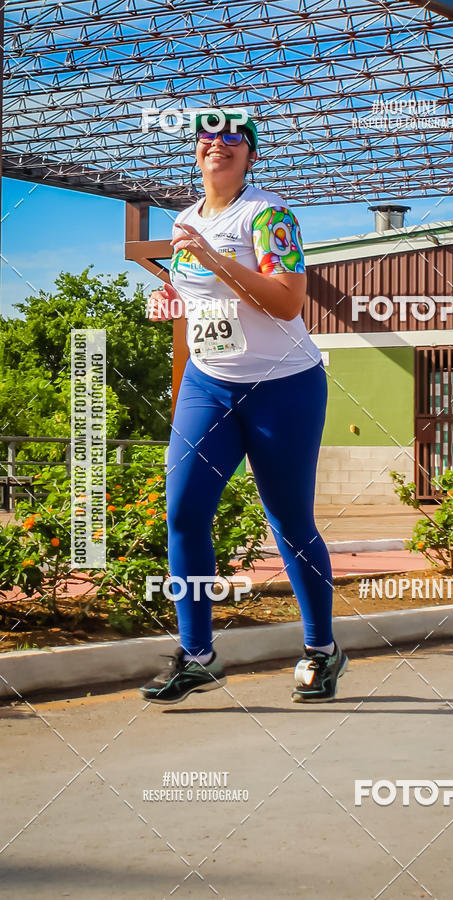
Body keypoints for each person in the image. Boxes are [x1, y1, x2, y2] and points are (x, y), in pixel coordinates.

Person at [140, 109, 348, 705]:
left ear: (251, 155)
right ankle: (199, 656)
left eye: (233, 138)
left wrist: (213, 261)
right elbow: (194, 293)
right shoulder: (185, 220)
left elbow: (286, 303)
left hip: (284, 385)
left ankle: (321, 652)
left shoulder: (269, 215)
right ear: (196, 153)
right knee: (182, 511)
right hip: (209, 385)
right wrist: (173, 296)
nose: (218, 145)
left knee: (289, 521)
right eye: (207, 138)